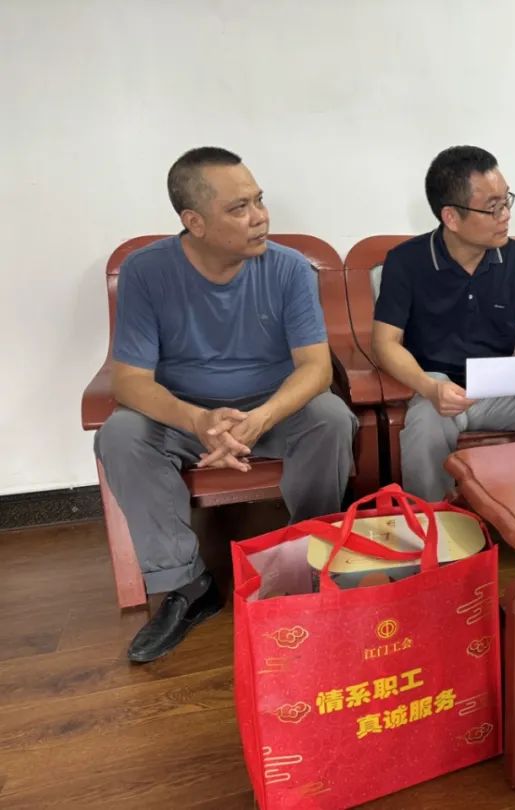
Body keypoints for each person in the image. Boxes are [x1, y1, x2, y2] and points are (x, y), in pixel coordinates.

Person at [95, 147, 358, 663]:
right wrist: (197, 419)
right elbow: (129, 381)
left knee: (330, 417)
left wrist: (260, 419)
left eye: (259, 200)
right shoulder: (147, 272)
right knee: (120, 435)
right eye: (239, 208)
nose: (260, 217)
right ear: (194, 222)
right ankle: (187, 586)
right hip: (185, 413)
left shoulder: (288, 269)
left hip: (272, 408)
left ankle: (307, 560)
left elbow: (315, 368)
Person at [372, 145, 515, 507]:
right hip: (437, 388)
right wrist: (428, 387)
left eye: (507, 201)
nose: (506, 215)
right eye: (492, 207)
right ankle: (432, 526)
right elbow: (384, 343)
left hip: (499, 383)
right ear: (451, 217)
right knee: (424, 426)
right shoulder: (406, 262)